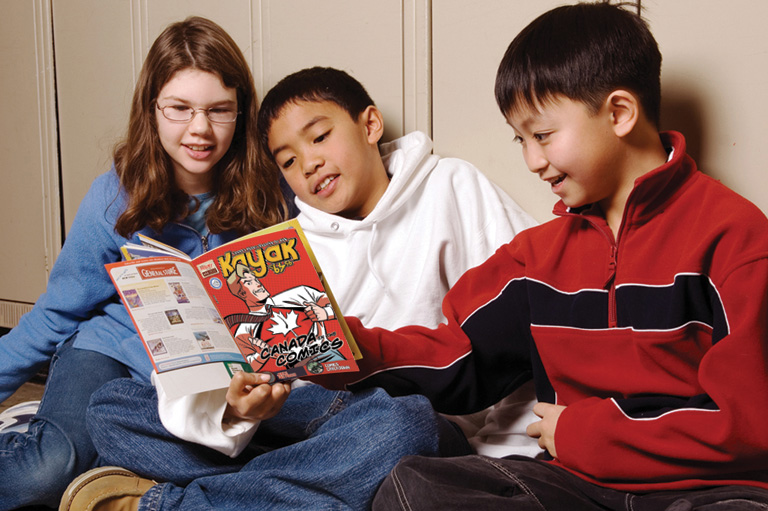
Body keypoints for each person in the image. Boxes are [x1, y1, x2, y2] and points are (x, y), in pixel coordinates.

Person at [301, 4, 768, 510]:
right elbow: (457, 357)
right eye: (520, 140)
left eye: (542, 135)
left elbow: (749, 423)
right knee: (415, 488)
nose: (531, 160)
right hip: (573, 484)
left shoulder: (734, 235)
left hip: (708, 493)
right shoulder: (538, 256)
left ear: (619, 114)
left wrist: (588, 435)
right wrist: (336, 345)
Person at [57, 66, 535, 511]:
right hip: (305, 421)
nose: (309, 163)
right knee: (112, 409)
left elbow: (533, 307)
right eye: (287, 161)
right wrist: (235, 410)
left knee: (404, 426)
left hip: (406, 422)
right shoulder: (288, 243)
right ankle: (306, 489)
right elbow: (245, 372)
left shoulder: (452, 187)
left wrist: (499, 459)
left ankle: (178, 502)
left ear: (370, 126)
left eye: (321, 137)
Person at [0, 15, 291, 510]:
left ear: (241, 113)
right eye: (179, 108)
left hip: (214, 368)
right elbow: (58, 311)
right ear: (152, 110)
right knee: (43, 473)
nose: (200, 129)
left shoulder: (272, 191)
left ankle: (112, 470)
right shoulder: (115, 196)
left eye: (219, 110)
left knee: (254, 453)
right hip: (112, 352)